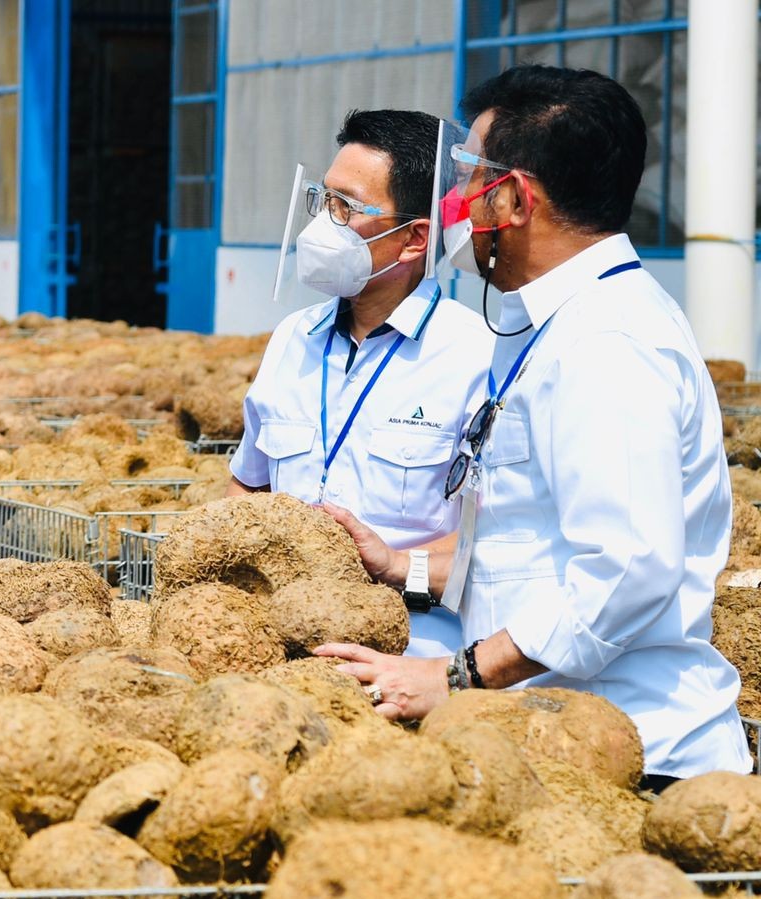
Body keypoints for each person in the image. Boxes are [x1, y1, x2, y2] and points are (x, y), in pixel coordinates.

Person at [318, 65, 751, 785]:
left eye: (465, 178)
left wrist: (453, 676)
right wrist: (403, 567)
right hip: (552, 737)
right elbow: (532, 551)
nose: (453, 204)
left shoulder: (607, 345)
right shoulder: (549, 327)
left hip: (634, 756)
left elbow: (626, 569)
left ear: (514, 197)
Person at [228, 109, 494, 658]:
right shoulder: (291, 339)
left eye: (345, 207)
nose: (324, 224)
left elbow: (497, 547)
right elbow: (247, 487)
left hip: (412, 653)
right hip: (276, 648)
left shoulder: (477, 359)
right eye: (323, 200)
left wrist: (397, 569)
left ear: (415, 239)